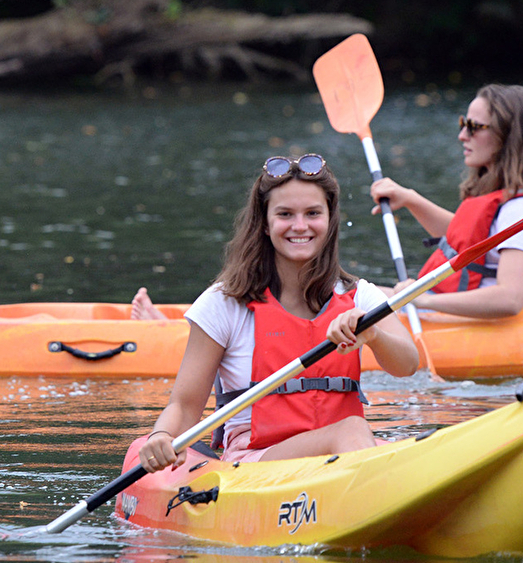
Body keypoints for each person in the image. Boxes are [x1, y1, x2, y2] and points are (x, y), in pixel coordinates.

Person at [134, 154, 419, 473]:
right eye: (285, 214)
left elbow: (408, 365)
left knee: (363, 435)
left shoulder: (359, 295)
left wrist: (373, 335)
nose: (300, 226)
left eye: (313, 213)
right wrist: (161, 435)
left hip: (342, 455)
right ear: (265, 224)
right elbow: (185, 406)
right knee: (352, 429)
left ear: (329, 219)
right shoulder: (225, 302)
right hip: (256, 463)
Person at [370, 83, 523, 319]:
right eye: (463, 124)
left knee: (351, 303)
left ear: (507, 135)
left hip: (467, 325)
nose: (462, 135)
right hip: (445, 313)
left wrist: (423, 299)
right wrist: (411, 200)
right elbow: (464, 240)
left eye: (474, 127)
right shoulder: (508, 199)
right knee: (347, 295)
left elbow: (511, 298)